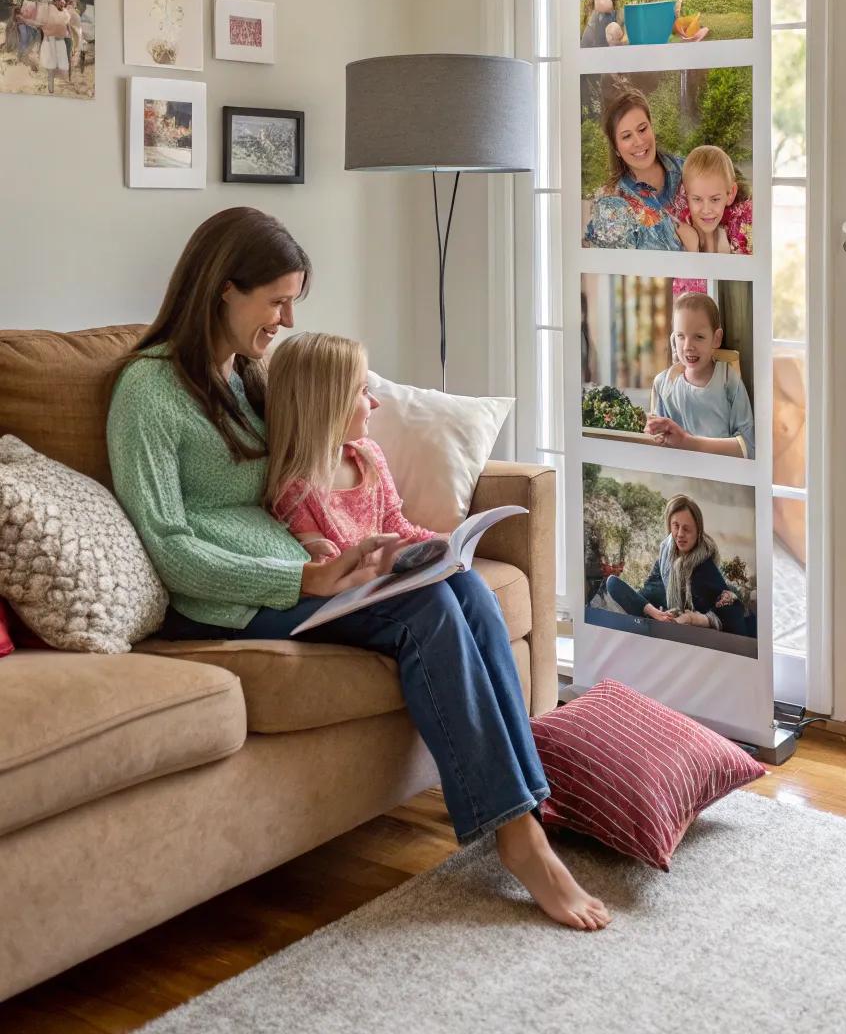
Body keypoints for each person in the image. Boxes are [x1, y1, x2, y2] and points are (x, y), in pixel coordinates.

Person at [106, 207, 608, 932]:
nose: (283, 319)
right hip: (220, 600)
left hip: (299, 571)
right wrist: (300, 579)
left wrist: (357, 551)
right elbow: (169, 547)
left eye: (291, 302)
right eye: (275, 300)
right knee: (427, 612)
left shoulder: (242, 378)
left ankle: (531, 804)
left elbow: (309, 455)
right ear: (222, 289)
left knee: (460, 583)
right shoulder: (147, 394)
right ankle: (518, 837)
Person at [265, 330, 436, 571]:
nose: (375, 402)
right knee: (437, 595)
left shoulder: (368, 454)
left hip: (389, 574)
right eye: (364, 391)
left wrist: (443, 543)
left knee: (465, 577)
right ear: (329, 403)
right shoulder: (295, 490)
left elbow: (396, 526)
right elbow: (328, 566)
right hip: (359, 590)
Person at [604, 493, 751, 635]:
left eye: (686, 529)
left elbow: (732, 617)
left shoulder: (704, 567)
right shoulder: (665, 559)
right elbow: (647, 591)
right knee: (612, 583)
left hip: (692, 634)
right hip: (661, 619)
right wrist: (658, 614)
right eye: (676, 526)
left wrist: (693, 619)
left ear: (698, 531)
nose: (680, 534)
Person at [646, 293, 755, 458]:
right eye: (680, 336)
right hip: (680, 479)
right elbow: (656, 445)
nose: (688, 346)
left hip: (721, 479)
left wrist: (687, 442)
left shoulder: (728, 380)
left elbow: (749, 448)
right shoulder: (663, 384)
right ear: (673, 338)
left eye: (699, 337)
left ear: (716, 338)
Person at [583, 87, 689, 251]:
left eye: (642, 129)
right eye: (626, 136)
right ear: (616, 148)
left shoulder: (688, 170)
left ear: (652, 128)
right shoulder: (611, 207)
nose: (639, 141)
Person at [676, 145, 753, 255]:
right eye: (697, 199)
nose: (706, 210)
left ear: (731, 194)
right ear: (684, 193)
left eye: (715, 199)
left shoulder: (743, 234)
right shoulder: (674, 237)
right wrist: (692, 248)